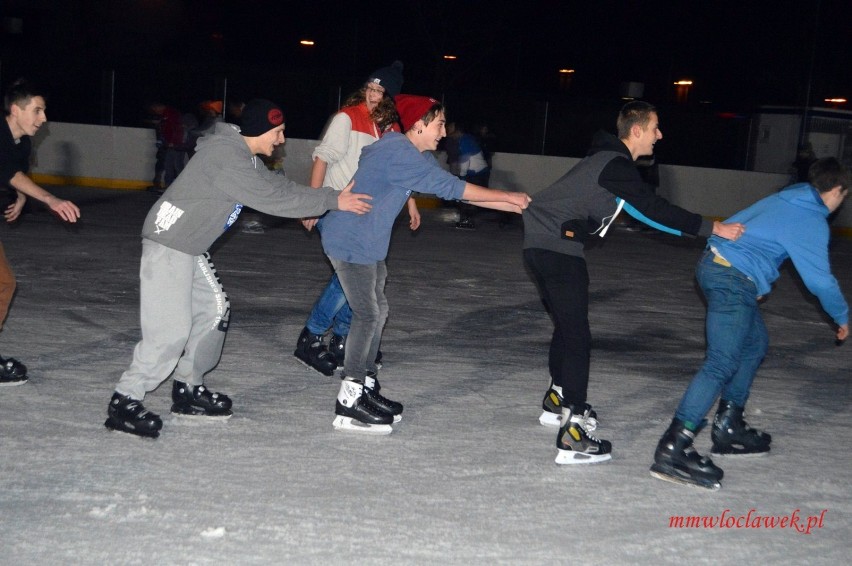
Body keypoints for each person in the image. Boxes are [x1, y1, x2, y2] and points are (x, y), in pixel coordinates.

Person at [104, 99, 373, 438]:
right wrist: (333, 201)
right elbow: (272, 200)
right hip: (169, 245)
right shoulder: (226, 158)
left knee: (214, 311)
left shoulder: (243, 156)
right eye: (277, 132)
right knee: (169, 332)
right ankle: (124, 400)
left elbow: (280, 188)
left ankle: (188, 387)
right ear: (261, 131)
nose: (281, 139)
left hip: (189, 246)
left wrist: (328, 197)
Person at [522, 100, 745, 464]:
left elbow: (645, 213)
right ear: (637, 130)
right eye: (655, 128)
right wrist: (712, 228)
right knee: (577, 335)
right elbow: (654, 208)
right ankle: (573, 431)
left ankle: (557, 399)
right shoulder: (616, 164)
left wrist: (700, 230)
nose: (660, 135)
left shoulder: (607, 162)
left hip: (540, 244)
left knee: (567, 326)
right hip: (557, 247)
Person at [317, 94, 531, 434]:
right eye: (439, 124)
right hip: (348, 239)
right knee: (367, 313)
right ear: (418, 125)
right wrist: (508, 198)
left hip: (367, 242)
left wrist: (521, 208)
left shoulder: (410, 153)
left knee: (379, 310)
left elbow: (454, 188)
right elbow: (454, 188)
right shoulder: (398, 153)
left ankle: (367, 385)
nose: (444, 132)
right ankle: (349, 400)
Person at [650, 157, 849, 490]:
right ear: (837, 189)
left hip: (722, 267)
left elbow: (760, 237)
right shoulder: (810, 218)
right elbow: (820, 282)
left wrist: (753, 280)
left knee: (754, 343)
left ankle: (729, 423)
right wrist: (842, 316)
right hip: (731, 275)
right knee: (721, 362)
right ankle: (675, 446)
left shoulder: (792, 196)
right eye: (845, 195)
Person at [295, 61, 420, 376]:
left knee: (362, 279)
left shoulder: (390, 129)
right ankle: (310, 338)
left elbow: (399, 169)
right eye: (370, 88)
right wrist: (312, 204)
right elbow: (322, 159)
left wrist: (412, 202)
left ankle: (342, 340)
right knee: (348, 278)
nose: (373, 96)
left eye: (380, 91)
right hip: (338, 207)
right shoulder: (347, 118)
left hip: (368, 216)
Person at [0, 79, 81, 386]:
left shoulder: (22, 143)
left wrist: (20, 197)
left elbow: (13, 173)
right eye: (37, 110)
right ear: (15, 110)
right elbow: (6, 171)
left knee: (2, 281)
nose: (43, 118)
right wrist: (50, 198)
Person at [453, 123, 491, 230]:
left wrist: (462, 176)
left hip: (477, 174)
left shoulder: (465, 140)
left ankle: (467, 219)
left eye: (452, 130)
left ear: (458, 131)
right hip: (478, 173)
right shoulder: (466, 139)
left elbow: (465, 159)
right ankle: (466, 219)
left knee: (470, 197)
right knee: (470, 197)